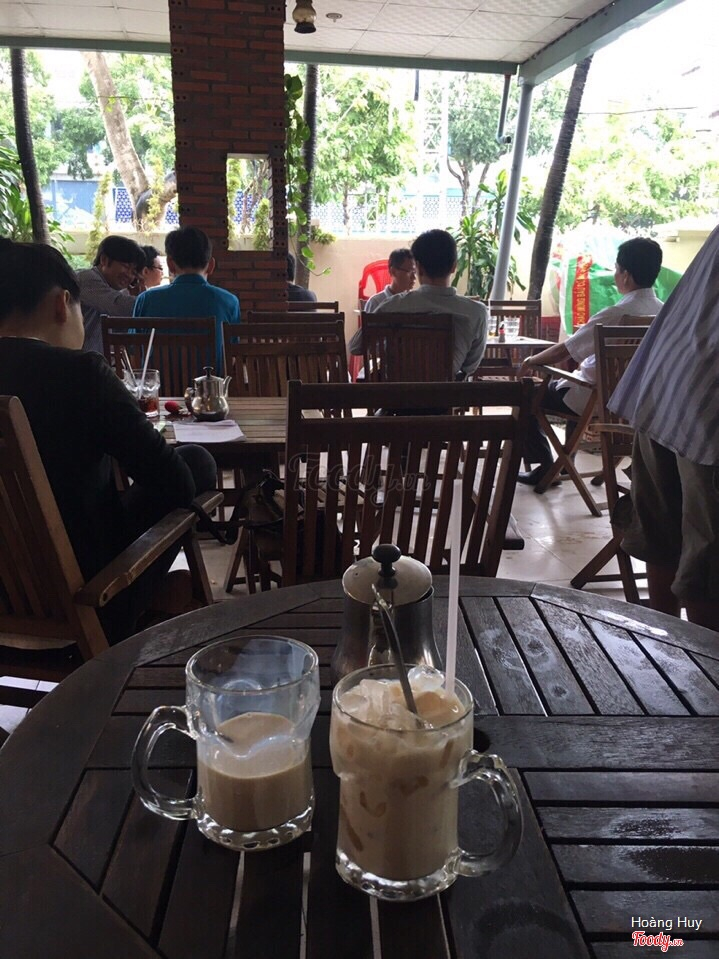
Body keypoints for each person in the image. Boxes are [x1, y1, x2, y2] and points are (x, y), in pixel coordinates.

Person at [0, 239, 217, 642]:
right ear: (62, 304)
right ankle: (132, 611)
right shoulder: (80, 373)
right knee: (196, 463)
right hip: (85, 597)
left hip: (7, 596)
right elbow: (175, 483)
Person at [608, 225, 719, 631]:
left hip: (665, 377)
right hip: (707, 402)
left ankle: (663, 646)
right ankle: (701, 664)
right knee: (709, 557)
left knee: (662, 533)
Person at [517, 237, 664, 486]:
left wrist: (530, 361)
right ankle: (566, 465)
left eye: (616, 269)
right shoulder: (664, 313)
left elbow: (565, 350)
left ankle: (546, 467)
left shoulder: (616, 314)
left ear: (626, 275)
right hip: (636, 402)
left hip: (596, 398)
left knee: (526, 394)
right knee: (575, 384)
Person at [349, 229, 487, 379]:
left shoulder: (392, 306)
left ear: (418, 267)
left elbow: (355, 347)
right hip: (445, 393)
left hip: (397, 392)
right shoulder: (477, 312)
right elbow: (470, 366)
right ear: (454, 266)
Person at [133, 226, 240, 371]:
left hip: (159, 385)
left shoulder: (145, 300)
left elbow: (134, 351)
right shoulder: (229, 302)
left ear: (170, 264)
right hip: (211, 385)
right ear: (211, 266)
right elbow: (232, 356)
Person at [76, 235, 145, 354]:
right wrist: (148, 299)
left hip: (92, 360)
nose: (129, 275)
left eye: (134, 272)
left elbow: (127, 340)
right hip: (76, 360)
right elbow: (118, 306)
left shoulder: (112, 291)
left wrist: (139, 294)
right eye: (126, 266)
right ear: (104, 260)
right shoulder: (87, 278)